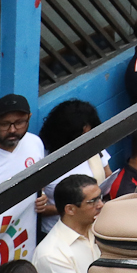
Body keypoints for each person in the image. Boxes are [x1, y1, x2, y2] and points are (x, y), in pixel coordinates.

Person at [37, 100, 109, 236]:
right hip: (60, 232)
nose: (85, 140)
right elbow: (40, 208)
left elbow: (108, 174)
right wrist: (76, 208)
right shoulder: (43, 161)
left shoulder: (93, 146)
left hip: (96, 226)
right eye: (80, 136)